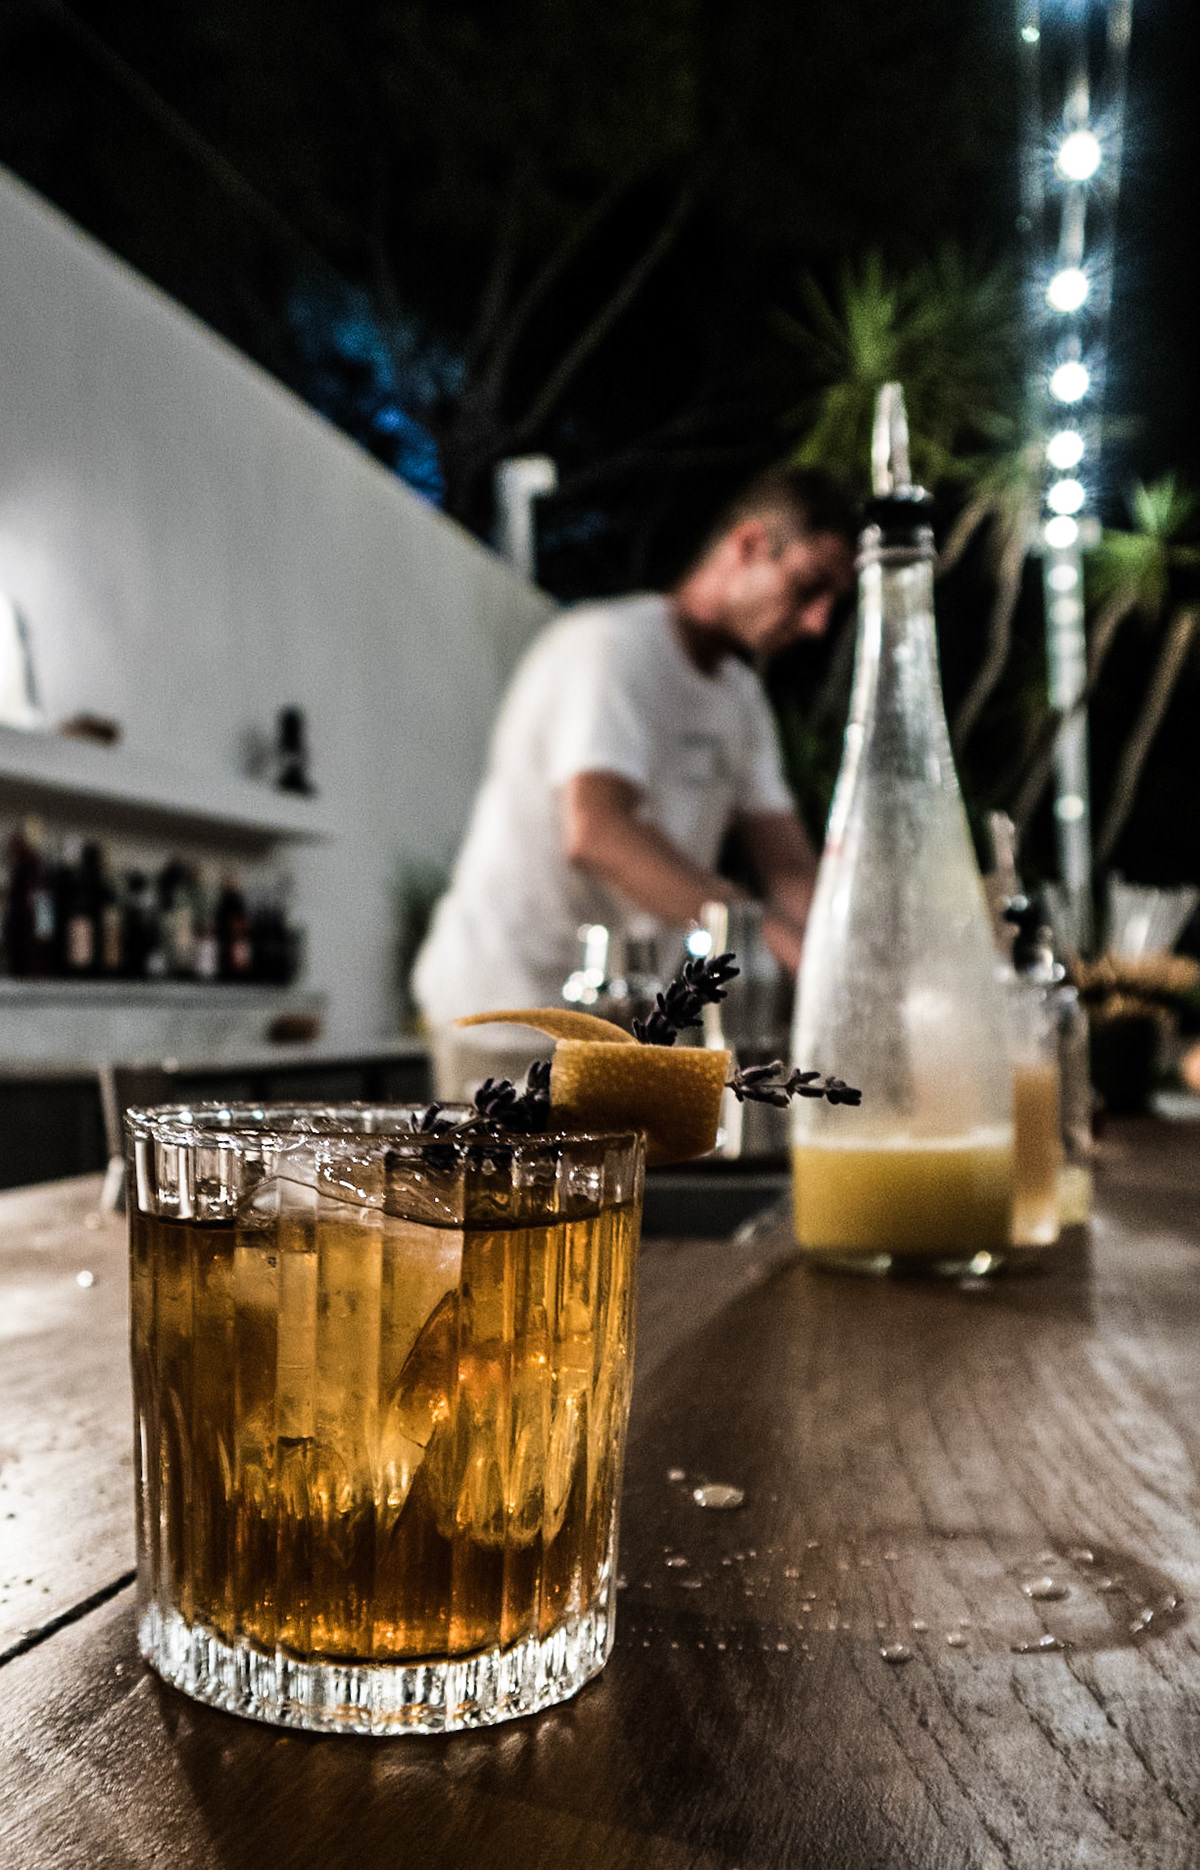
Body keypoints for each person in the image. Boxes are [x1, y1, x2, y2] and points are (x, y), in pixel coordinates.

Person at [413, 465, 857, 1090]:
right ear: (750, 545)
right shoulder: (610, 648)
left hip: (622, 1024)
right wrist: (760, 931)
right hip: (508, 1011)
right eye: (808, 588)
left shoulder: (741, 700)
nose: (817, 623)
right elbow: (597, 832)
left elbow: (789, 870)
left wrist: (850, 965)